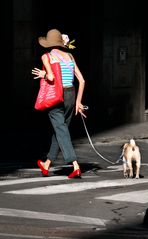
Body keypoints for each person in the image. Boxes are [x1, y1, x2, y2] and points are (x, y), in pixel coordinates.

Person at [32, 29, 86, 178]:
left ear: (48, 43)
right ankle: (47, 164)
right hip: (70, 94)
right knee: (60, 129)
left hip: (56, 95)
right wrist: (78, 102)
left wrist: (44, 74)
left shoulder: (46, 56)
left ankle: (75, 165)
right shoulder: (70, 56)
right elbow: (82, 80)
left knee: (61, 129)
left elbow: (50, 77)